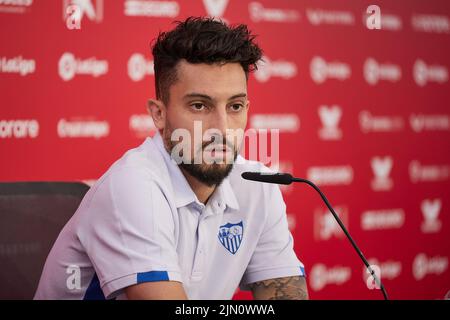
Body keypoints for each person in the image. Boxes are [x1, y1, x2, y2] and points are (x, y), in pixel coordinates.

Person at [34, 16, 308, 300]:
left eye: (235, 106)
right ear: (159, 114)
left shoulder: (258, 185)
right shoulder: (133, 186)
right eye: (200, 105)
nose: (222, 129)